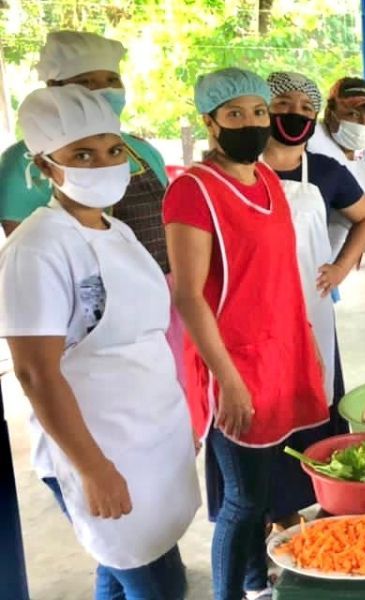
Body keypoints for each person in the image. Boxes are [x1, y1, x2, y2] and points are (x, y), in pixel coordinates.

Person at [0, 85, 198, 600]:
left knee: (120, 567)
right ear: (47, 166)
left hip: (149, 439)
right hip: (100, 447)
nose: (103, 164)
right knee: (158, 586)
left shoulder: (117, 230)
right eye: (82, 154)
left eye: (113, 150)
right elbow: (35, 373)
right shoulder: (39, 247)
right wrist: (93, 468)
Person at [163, 67, 327, 600]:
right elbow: (189, 295)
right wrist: (227, 379)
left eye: (258, 112)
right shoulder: (194, 191)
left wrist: (305, 348)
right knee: (242, 501)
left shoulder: (268, 183)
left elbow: (280, 281)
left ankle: (257, 588)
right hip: (234, 365)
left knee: (264, 492)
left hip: (280, 354)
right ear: (210, 123)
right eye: (235, 114)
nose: (251, 123)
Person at [0, 31, 170, 270]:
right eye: (85, 82)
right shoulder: (19, 163)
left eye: (112, 80)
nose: (104, 90)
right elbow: (31, 259)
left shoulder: (143, 150)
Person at [308, 77, 365, 256]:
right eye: (352, 114)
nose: (363, 123)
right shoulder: (311, 137)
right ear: (330, 113)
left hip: (323, 275)